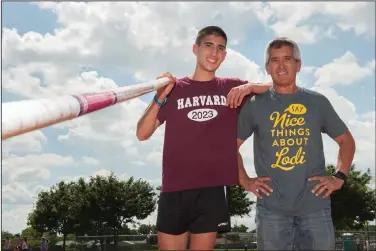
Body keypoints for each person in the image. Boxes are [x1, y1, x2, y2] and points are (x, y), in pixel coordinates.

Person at [136, 25, 271, 250]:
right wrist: (159, 97)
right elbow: (142, 133)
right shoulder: (174, 88)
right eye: (208, 45)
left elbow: (279, 88)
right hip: (174, 188)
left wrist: (250, 86)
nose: (214, 53)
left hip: (211, 190)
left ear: (225, 55)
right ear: (195, 48)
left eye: (220, 48)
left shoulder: (232, 88)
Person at [237, 37, 356, 250]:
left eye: (287, 59)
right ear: (267, 67)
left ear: (298, 65)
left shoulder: (317, 102)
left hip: (315, 207)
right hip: (271, 209)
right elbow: (229, 147)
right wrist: (245, 180)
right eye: (274, 60)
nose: (281, 65)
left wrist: (339, 177)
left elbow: (346, 141)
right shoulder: (254, 106)